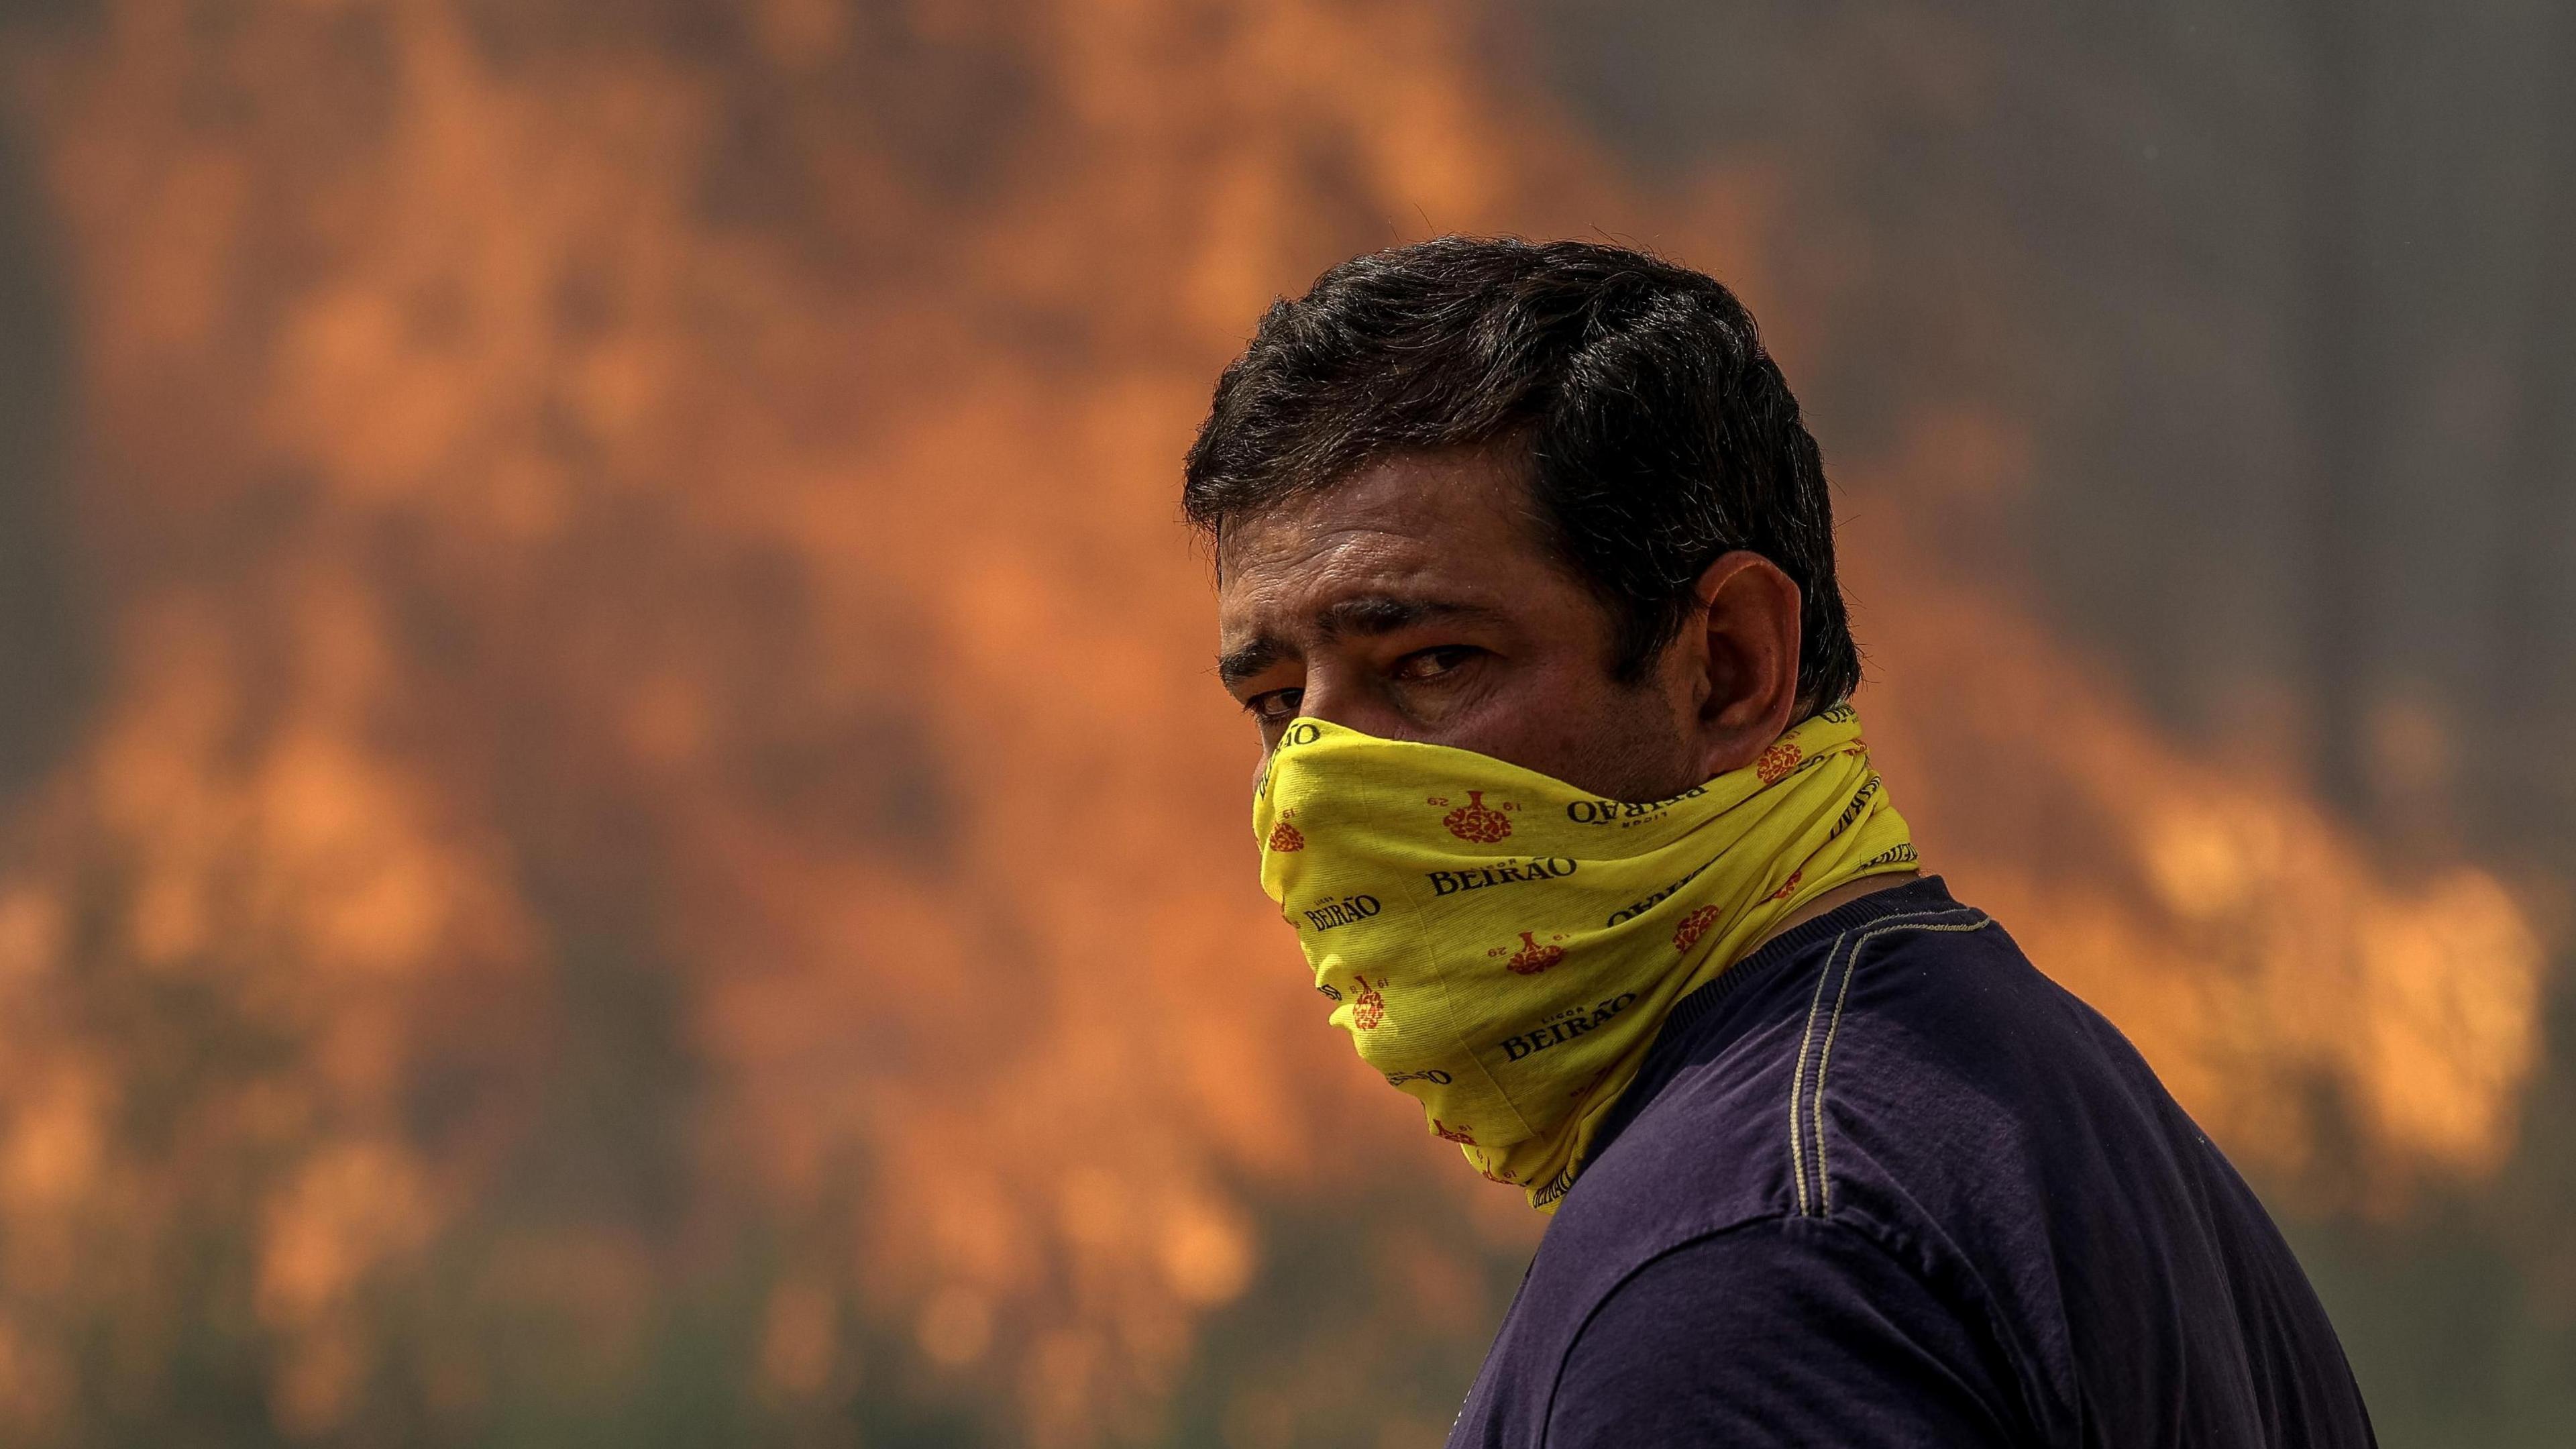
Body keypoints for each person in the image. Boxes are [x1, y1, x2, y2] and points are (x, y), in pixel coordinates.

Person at [1183, 237, 2377, 1448]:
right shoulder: (2010, 1090)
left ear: (1734, 669)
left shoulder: (1753, 1260)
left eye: (1434, 661)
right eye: (1279, 704)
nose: (1315, 784)